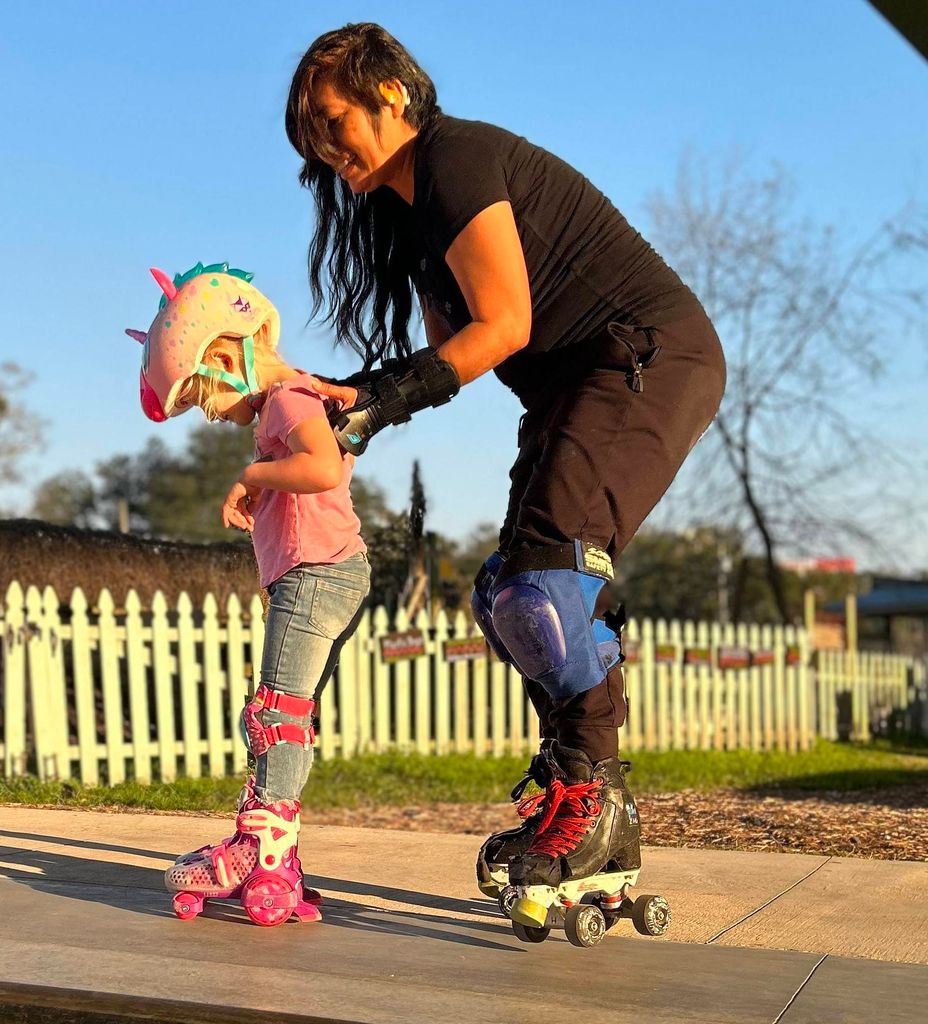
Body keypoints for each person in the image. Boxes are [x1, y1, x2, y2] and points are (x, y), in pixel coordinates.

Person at [285, 24, 726, 929]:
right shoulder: (413, 218)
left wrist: (380, 401)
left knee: (549, 581)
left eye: (333, 121)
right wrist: (357, 398)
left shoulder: (458, 158)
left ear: (393, 97)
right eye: (311, 138)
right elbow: (454, 353)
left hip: (643, 356)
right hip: (582, 381)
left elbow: (505, 323)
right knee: (509, 592)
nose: (326, 148)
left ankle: (590, 801)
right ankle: (586, 798)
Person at [126, 261, 370, 926]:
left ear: (229, 352)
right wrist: (262, 482)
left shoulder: (288, 400)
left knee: (275, 715)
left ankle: (261, 852)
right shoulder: (290, 403)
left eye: (203, 394)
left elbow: (320, 467)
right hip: (322, 572)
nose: (208, 414)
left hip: (318, 573)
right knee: (288, 716)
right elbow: (323, 464)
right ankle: (278, 853)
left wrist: (251, 470)